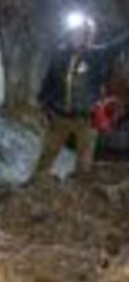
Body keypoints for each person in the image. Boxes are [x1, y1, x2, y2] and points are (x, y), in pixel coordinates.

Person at [34, 12, 128, 181]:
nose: (77, 36)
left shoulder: (97, 56)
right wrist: (42, 103)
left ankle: (79, 190)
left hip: (86, 120)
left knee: (84, 161)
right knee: (47, 154)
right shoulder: (60, 54)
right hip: (59, 117)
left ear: (89, 37)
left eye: (83, 33)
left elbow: (118, 44)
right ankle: (36, 184)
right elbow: (49, 81)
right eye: (75, 32)